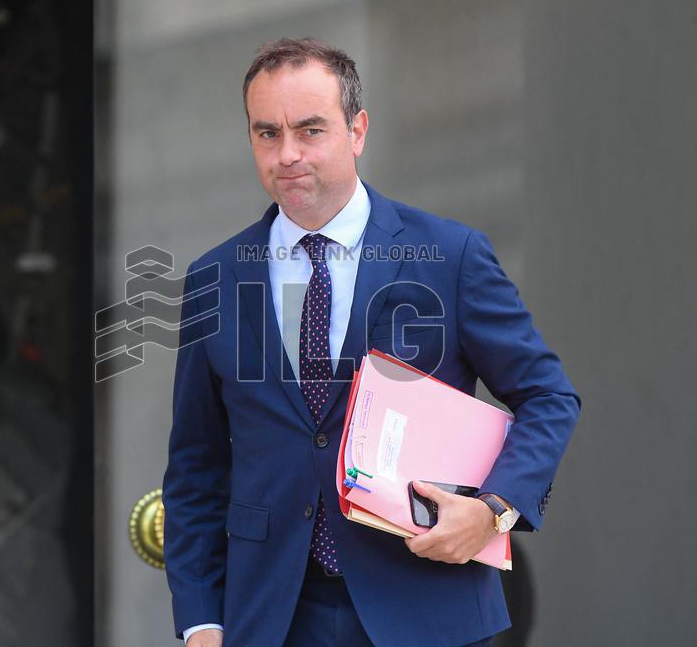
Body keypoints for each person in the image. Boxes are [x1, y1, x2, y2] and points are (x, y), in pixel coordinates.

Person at [162, 37, 580, 647]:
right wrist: (202, 621)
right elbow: (195, 467)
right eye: (267, 134)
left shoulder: (448, 256)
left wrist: (494, 510)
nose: (288, 154)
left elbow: (549, 397)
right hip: (272, 618)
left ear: (357, 130)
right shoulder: (214, 278)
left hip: (428, 608)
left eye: (310, 130)